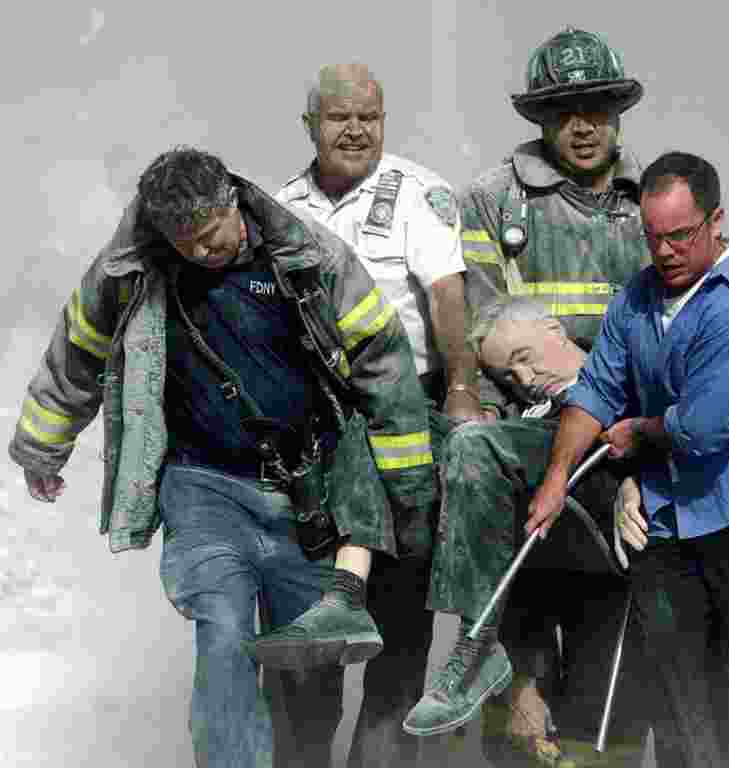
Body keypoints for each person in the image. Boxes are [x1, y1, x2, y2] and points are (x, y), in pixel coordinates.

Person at [8, 146, 436, 768]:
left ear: (233, 203)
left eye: (213, 237)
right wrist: (42, 447)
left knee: (308, 681)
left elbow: (383, 358)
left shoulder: (309, 257)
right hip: (202, 487)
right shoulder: (129, 270)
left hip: (306, 497)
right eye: (188, 245)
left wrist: (407, 485)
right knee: (225, 631)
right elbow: (76, 351)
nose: (205, 254)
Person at [405, 26, 654, 766]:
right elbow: (478, 334)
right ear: (538, 119)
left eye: (599, 107)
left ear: (618, 112)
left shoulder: (657, 198)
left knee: (611, 686)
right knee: (519, 707)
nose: (583, 124)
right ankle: (492, 666)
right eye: (564, 109)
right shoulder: (487, 200)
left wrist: (645, 447)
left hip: (630, 448)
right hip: (530, 448)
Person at [528, 151, 729, 767]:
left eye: (681, 235)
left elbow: (703, 430)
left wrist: (635, 433)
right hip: (671, 511)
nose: (664, 251)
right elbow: (596, 391)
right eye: (653, 236)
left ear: (717, 222)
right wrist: (555, 480)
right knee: (673, 679)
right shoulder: (636, 297)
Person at [249, 61, 481, 768]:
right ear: (309, 125)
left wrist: (463, 394)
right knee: (303, 638)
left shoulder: (421, 195)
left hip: (401, 432)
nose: (355, 130)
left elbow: (448, 302)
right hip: (309, 445)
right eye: (338, 117)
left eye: (370, 117)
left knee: (397, 637)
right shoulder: (277, 206)